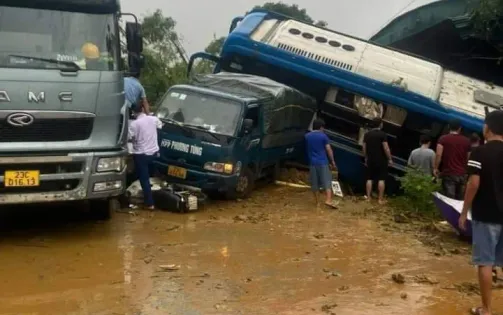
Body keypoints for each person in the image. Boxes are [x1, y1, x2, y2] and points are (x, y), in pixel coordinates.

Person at [459, 110, 503, 315]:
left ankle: (486, 309)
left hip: (486, 215)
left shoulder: (479, 152)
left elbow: (473, 184)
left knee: (485, 262)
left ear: (488, 128)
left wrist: (463, 212)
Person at [128, 103, 162, 210]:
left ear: (133, 112)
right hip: (154, 153)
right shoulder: (153, 119)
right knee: (154, 177)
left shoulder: (134, 124)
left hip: (141, 155)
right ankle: (158, 197)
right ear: (142, 109)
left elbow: (130, 138)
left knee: (144, 179)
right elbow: (160, 126)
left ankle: (150, 203)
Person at [434, 119, 471, 200]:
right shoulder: (467, 141)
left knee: (449, 199)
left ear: (448, 127)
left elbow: (438, 154)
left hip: (449, 173)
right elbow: (469, 158)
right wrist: (467, 172)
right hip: (462, 175)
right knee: (458, 200)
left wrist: (436, 168)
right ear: (460, 128)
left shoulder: (443, 139)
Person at [305, 118, 337, 208]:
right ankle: (328, 200)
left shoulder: (307, 136)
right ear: (321, 127)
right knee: (327, 182)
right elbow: (328, 149)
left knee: (314, 184)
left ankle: (317, 203)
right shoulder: (323, 136)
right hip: (323, 162)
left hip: (312, 163)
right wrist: (333, 161)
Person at [363, 119, 392, 204]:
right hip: (381, 159)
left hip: (370, 159)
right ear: (380, 125)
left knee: (369, 178)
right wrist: (389, 158)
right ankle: (380, 199)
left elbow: (364, 148)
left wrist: (366, 157)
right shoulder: (383, 135)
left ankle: (368, 198)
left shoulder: (367, 134)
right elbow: (386, 148)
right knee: (381, 179)